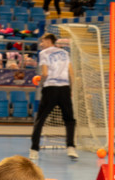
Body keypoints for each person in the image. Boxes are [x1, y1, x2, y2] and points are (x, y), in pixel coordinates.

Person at [29, 33, 78, 161]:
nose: (41, 44)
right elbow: (71, 72)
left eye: (42, 41)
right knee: (69, 119)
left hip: (50, 88)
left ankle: (34, 149)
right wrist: (70, 89)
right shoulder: (65, 53)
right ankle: (71, 147)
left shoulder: (44, 53)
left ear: (48, 40)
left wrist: (40, 83)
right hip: (65, 89)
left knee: (40, 119)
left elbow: (44, 73)